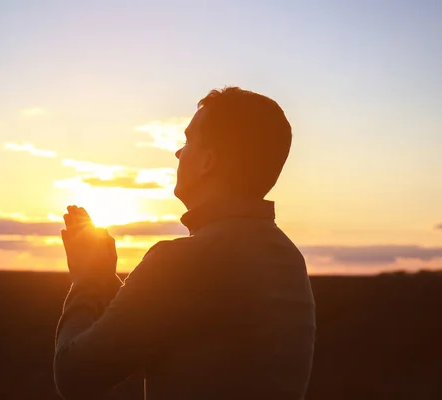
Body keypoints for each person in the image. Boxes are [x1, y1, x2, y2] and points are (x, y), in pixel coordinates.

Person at [54, 87, 316, 400]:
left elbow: (74, 374)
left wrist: (88, 277)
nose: (179, 153)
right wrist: (107, 276)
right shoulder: (286, 257)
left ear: (208, 162)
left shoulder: (185, 260)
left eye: (189, 140)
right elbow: (174, 313)